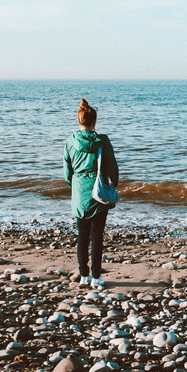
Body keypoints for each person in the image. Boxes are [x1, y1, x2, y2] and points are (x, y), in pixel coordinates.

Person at [63, 99, 119, 288]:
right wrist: (112, 186)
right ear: (95, 121)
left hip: (80, 190)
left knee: (82, 235)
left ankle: (83, 276)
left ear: (79, 121)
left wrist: (76, 186)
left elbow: (67, 172)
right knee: (97, 236)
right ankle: (96, 278)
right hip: (98, 192)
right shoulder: (102, 140)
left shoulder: (70, 141)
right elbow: (113, 167)